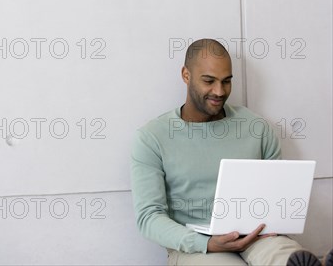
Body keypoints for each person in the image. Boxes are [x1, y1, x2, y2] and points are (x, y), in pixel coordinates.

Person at [130, 39, 329, 265]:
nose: (219, 91)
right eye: (209, 81)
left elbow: (276, 195)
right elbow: (149, 217)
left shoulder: (256, 127)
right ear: (186, 75)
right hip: (196, 247)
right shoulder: (152, 137)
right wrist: (206, 243)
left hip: (256, 236)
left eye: (226, 81)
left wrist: (276, 224)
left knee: (284, 255)